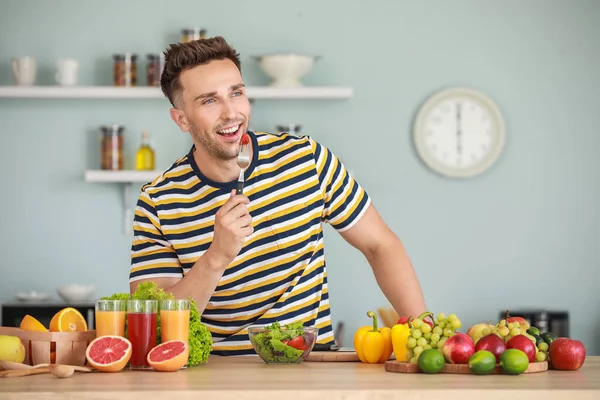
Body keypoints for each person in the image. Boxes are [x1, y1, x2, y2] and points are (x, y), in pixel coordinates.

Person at [129, 36, 427, 356]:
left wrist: (424, 333)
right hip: (216, 377)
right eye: (209, 101)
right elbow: (155, 327)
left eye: (237, 93)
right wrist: (217, 256)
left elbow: (380, 245)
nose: (231, 113)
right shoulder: (159, 202)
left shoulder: (307, 159)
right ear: (181, 119)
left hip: (310, 369)